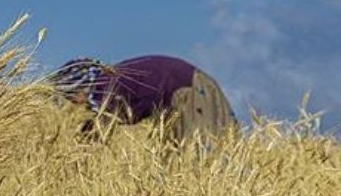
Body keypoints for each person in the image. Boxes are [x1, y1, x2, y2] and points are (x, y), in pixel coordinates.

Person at [50, 54, 237, 141]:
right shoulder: (109, 78)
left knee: (203, 153)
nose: (73, 103)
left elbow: (101, 128)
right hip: (186, 90)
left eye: (69, 96)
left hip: (190, 90)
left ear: (77, 88)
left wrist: (75, 148)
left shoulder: (103, 87)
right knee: (175, 160)